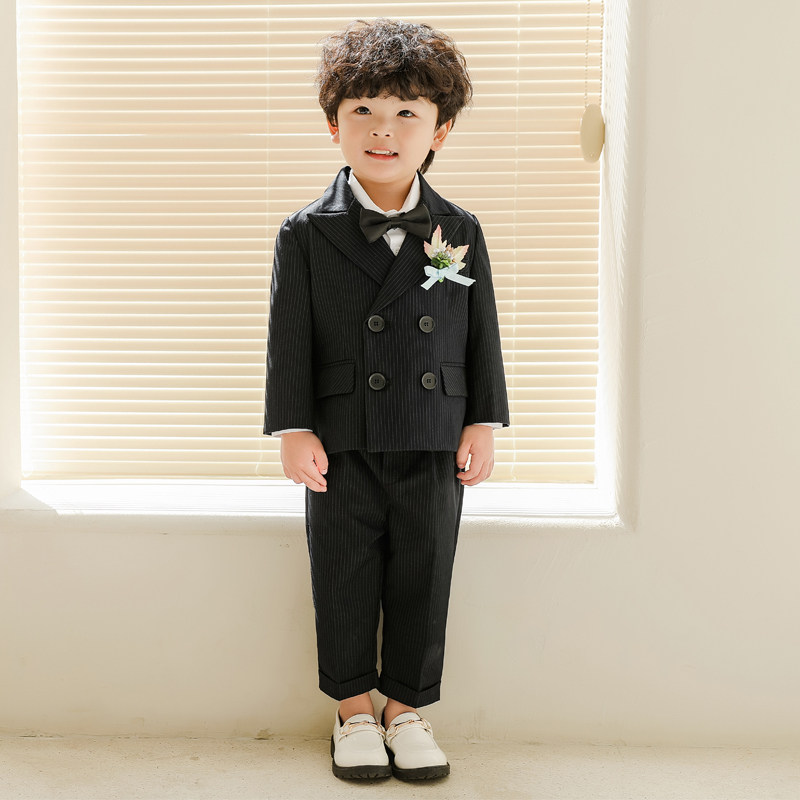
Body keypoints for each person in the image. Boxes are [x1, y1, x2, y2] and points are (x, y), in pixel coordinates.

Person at [263, 18, 509, 782]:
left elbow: (481, 332)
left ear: (441, 130)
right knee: (341, 574)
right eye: (364, 110)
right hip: (341, 442)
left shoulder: (459, 229)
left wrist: (482, 421)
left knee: (424, 574)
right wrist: (293, 428)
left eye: (407, 111)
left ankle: (405, 707)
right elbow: (288, 338)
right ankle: (352, 711)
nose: (383, 129)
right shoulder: (305, 233)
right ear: (333, 125)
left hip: (434, 436)